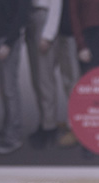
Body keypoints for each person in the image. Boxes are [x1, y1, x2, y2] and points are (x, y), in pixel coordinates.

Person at [25, 0, 81, 149]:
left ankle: (52, 127)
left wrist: (48, 34)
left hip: (54, 21)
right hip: (46, 19)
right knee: (42, 78)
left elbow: (56, 3)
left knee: (49, 79)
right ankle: (48, 123)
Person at [0, 0, 30, 155]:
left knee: (10, 90)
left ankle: (14, 137)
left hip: (8, 42)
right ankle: (6, 129)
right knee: (3, 90)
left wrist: (8, 43)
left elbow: (21, 16)